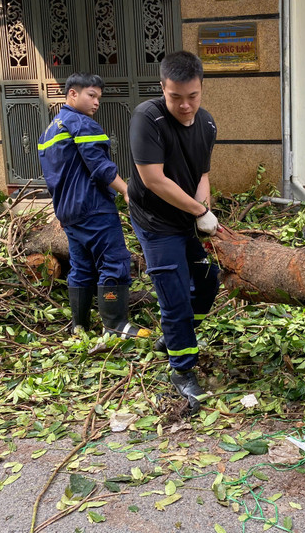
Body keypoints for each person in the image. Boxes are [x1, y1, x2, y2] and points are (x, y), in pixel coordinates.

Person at [128, 51, 222, 412]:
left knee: (209, 279)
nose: (185, 105)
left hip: (185, 216)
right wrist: (199, 211)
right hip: (155, 220)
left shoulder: (207, 124)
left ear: (201, 88)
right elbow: (153, 179)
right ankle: (182, 369)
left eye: (193, 96)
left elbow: (201, 174)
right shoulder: (146, 119)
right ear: (162, 89)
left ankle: (174, 336)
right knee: (174, 293)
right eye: (175, 97)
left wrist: (204, 212)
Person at [37, 73, 150, 340]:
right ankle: (115, 325)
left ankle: (79, 326)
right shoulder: (81, 124)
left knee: (82, 267)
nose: (96, 102)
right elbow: (99, 167)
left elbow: (53, 178)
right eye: (91, 95)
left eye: (99, 97)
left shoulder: (49, 131)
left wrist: (61, 211)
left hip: (69, 214)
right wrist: (126, 191)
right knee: (114, 262)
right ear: (72, 94)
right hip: (94, 208)